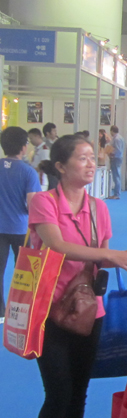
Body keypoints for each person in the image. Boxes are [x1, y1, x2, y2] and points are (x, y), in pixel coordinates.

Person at [29, 134, 127, 418]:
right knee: (58, 394)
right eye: (82, 159)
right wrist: (113, 255)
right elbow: (57, 246)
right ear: (60, 166)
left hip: (89, 311)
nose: (91, 164)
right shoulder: (44, 202)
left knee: (79, 392)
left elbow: (101, 259)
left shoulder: (99, 208)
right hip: (49, 309)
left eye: (93, 158)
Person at [0, 127, 41, 319]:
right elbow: (33, 204)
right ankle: (22, 310)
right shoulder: (28, 172)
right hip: (21, 228)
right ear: (24, 147)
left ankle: (0, 311)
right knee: (24, 272)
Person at [107, 125, 125, 199]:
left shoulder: (117, 139)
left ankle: (117, 194)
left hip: (116, 158)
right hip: (117, 158)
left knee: (116, 176)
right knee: (116, 176)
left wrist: (112, 154)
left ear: (112, 131)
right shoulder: (119, 138)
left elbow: (118, 150)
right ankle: (116, 193)